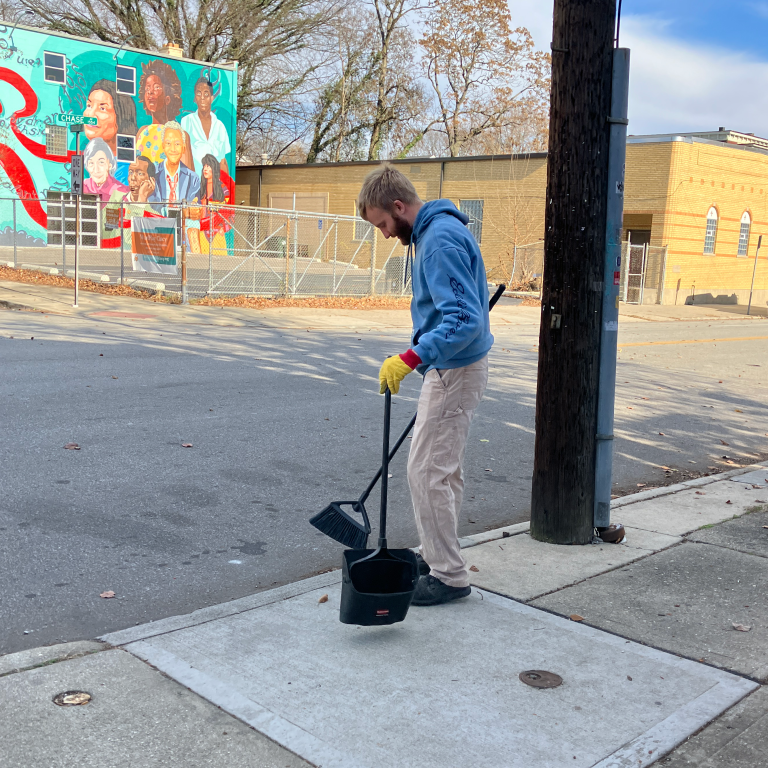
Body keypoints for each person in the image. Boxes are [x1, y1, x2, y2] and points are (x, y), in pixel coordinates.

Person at [357, 164, 493, 607]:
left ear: (398, 207)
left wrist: (411, 357)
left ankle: (448, 575)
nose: (383, 234)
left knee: (425, 471)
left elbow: (465, 319)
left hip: (454, 369)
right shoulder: (437, 232)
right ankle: (440, 556)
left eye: (381, 224)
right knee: (442, 470)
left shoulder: (437, 242)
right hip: (450, 367)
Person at [135, 60, 195, 169]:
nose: (150, 91)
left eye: (157, 87)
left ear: (168, 99)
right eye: (147, 88)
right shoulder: (142, 132)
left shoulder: (180, 135)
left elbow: (189, 179)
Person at [180, 77, 231, 176]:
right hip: (194, 184)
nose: (202, 97)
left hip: (214, 186)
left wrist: (225, 188)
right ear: (195, 97)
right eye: (199, 93)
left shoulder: (220, 127)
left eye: (206, 94)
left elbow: (223, 161)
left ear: (212, 98)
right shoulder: (186, 122)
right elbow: (183, 156)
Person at [186, 154, 231, 254]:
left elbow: (230, 213)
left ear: (214, 169)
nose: (205, 169)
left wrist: (223, 228)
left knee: (219, 263)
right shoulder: (200, 190)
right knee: (203, 263)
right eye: (204, 166)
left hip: (217, 233)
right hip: (203, 232)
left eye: (208, 166)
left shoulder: (223, 189)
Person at [148, 122, 198, 203]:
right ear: (163, 146)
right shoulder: (152, 175)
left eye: (177, 144)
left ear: (183, 148)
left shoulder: (193, 179)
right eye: (168, 143)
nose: (173, 149)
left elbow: (194, 209)